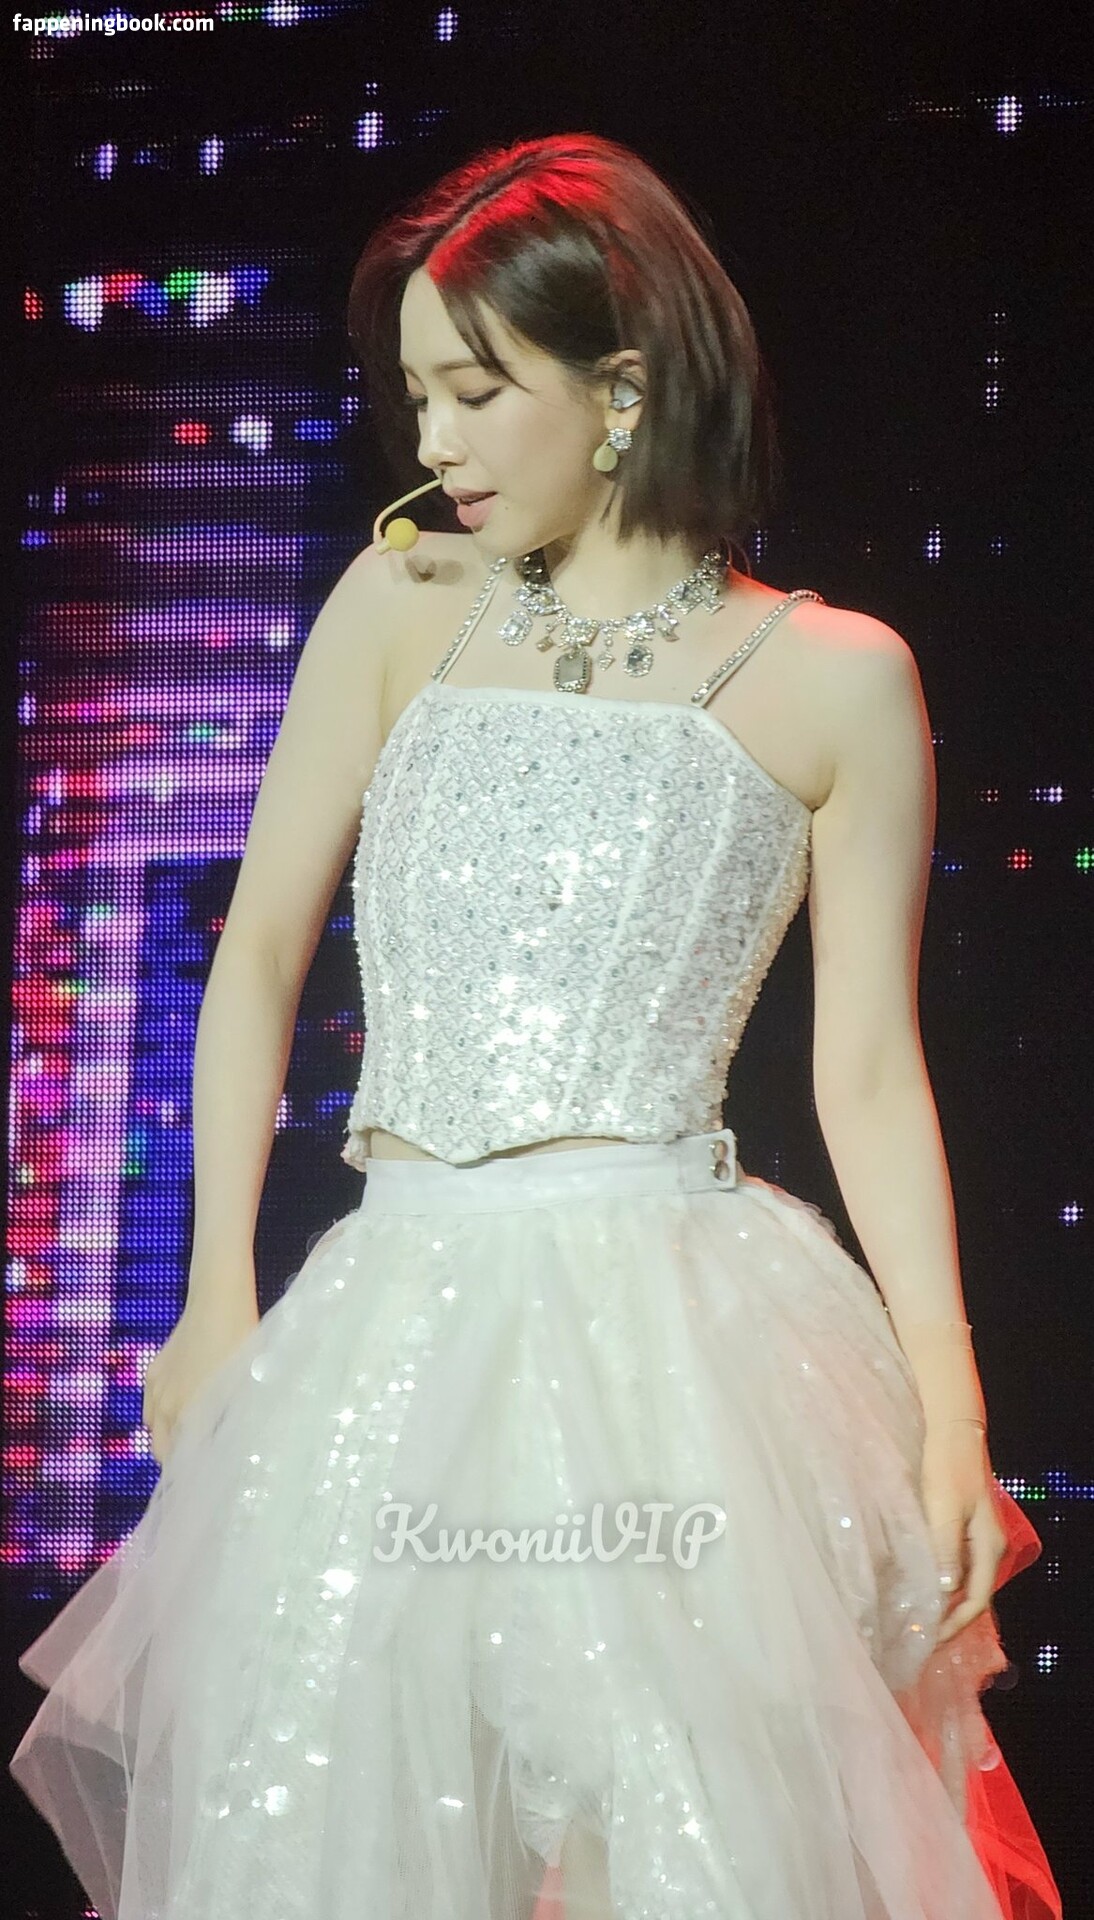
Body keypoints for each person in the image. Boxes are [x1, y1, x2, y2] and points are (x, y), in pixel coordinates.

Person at [10, 132, 1062, 1920]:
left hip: (683, 1348)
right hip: (392, 1324)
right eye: (417, 392)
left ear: (623, 388)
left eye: (476, 391)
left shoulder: (836, 675)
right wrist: (212, 1295)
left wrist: (951, 1418)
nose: (431, 439)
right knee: (341, 1840)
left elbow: (872, 1072)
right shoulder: (399, 604)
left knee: (689, 1849)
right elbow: (256, 955)